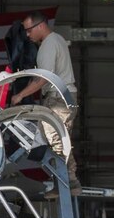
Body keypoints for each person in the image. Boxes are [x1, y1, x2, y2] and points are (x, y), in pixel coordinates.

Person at [11, 11, 80, 193]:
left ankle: (68, 181)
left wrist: (19, 96)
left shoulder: (49, 45)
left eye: (29, 30)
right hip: (60, 96)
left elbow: (43, 79)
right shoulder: (56, 40)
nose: (27, 34)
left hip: (59, 98)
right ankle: (64, 179)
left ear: (40, 26)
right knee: (45, 138)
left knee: (55, 137)